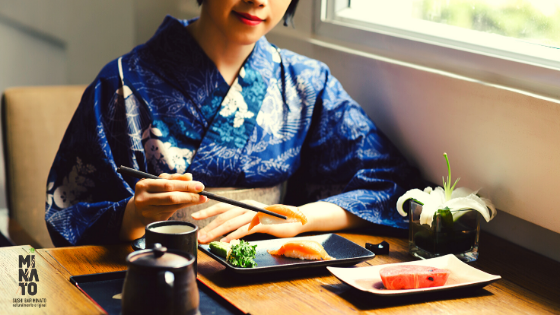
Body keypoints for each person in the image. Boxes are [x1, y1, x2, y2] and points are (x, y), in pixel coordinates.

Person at [45, 0, 424, 247]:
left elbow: (394, 187)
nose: (259, 0)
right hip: (153, 278)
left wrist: (298, 217)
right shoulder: (122, 83)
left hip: (267, 276)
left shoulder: (306, 83)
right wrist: (132, 215)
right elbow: (67, 212)